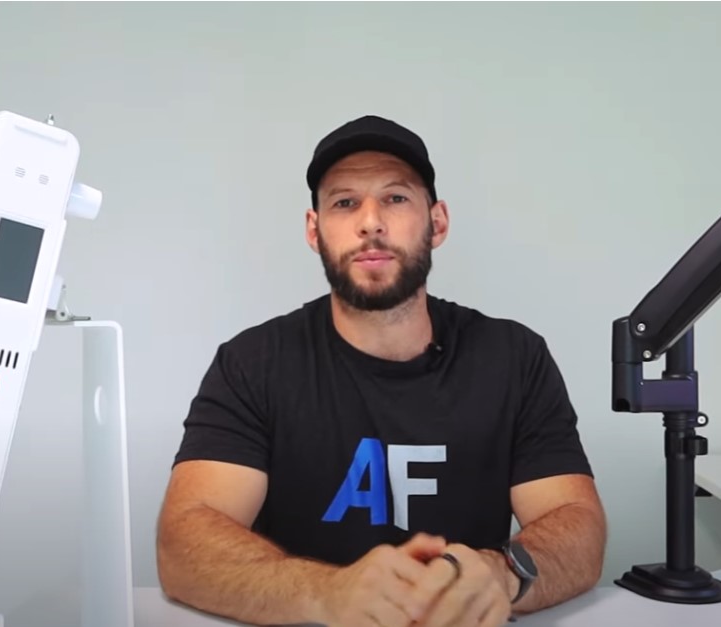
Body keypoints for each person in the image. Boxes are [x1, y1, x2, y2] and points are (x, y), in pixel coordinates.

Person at [156, 115, 607, 627]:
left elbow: (578, 525)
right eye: (345, 202)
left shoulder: (513, 356)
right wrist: (326, 592)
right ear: (314, 229)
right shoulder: (252, 363)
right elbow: (184, 541)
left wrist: (503, 574)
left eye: (395, 198)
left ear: (437, 222)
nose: (370, 221)